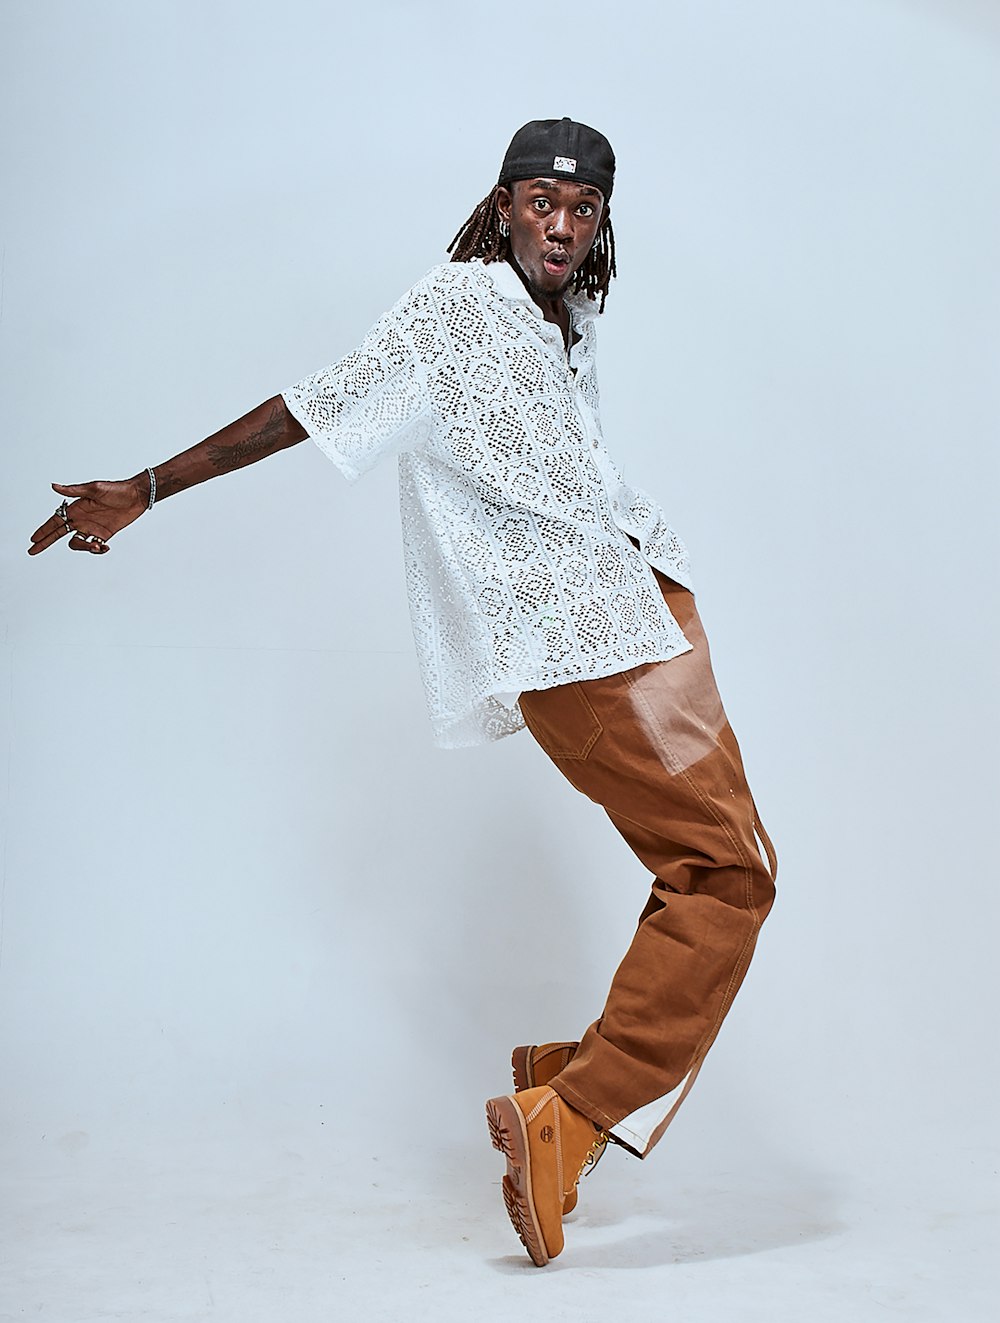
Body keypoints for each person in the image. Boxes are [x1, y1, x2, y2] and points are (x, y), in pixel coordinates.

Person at [28, 117, 777, 1266]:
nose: (562, 229)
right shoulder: (458, 308)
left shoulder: (563, 318)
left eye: (582, 211)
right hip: (585, 653)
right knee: (726, 878)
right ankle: (567, 1116)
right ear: (502, 201)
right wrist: (147, 487)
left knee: (721, 870)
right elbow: (313, 406)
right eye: (541, 204)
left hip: (639, 621)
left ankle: (564, 1088)